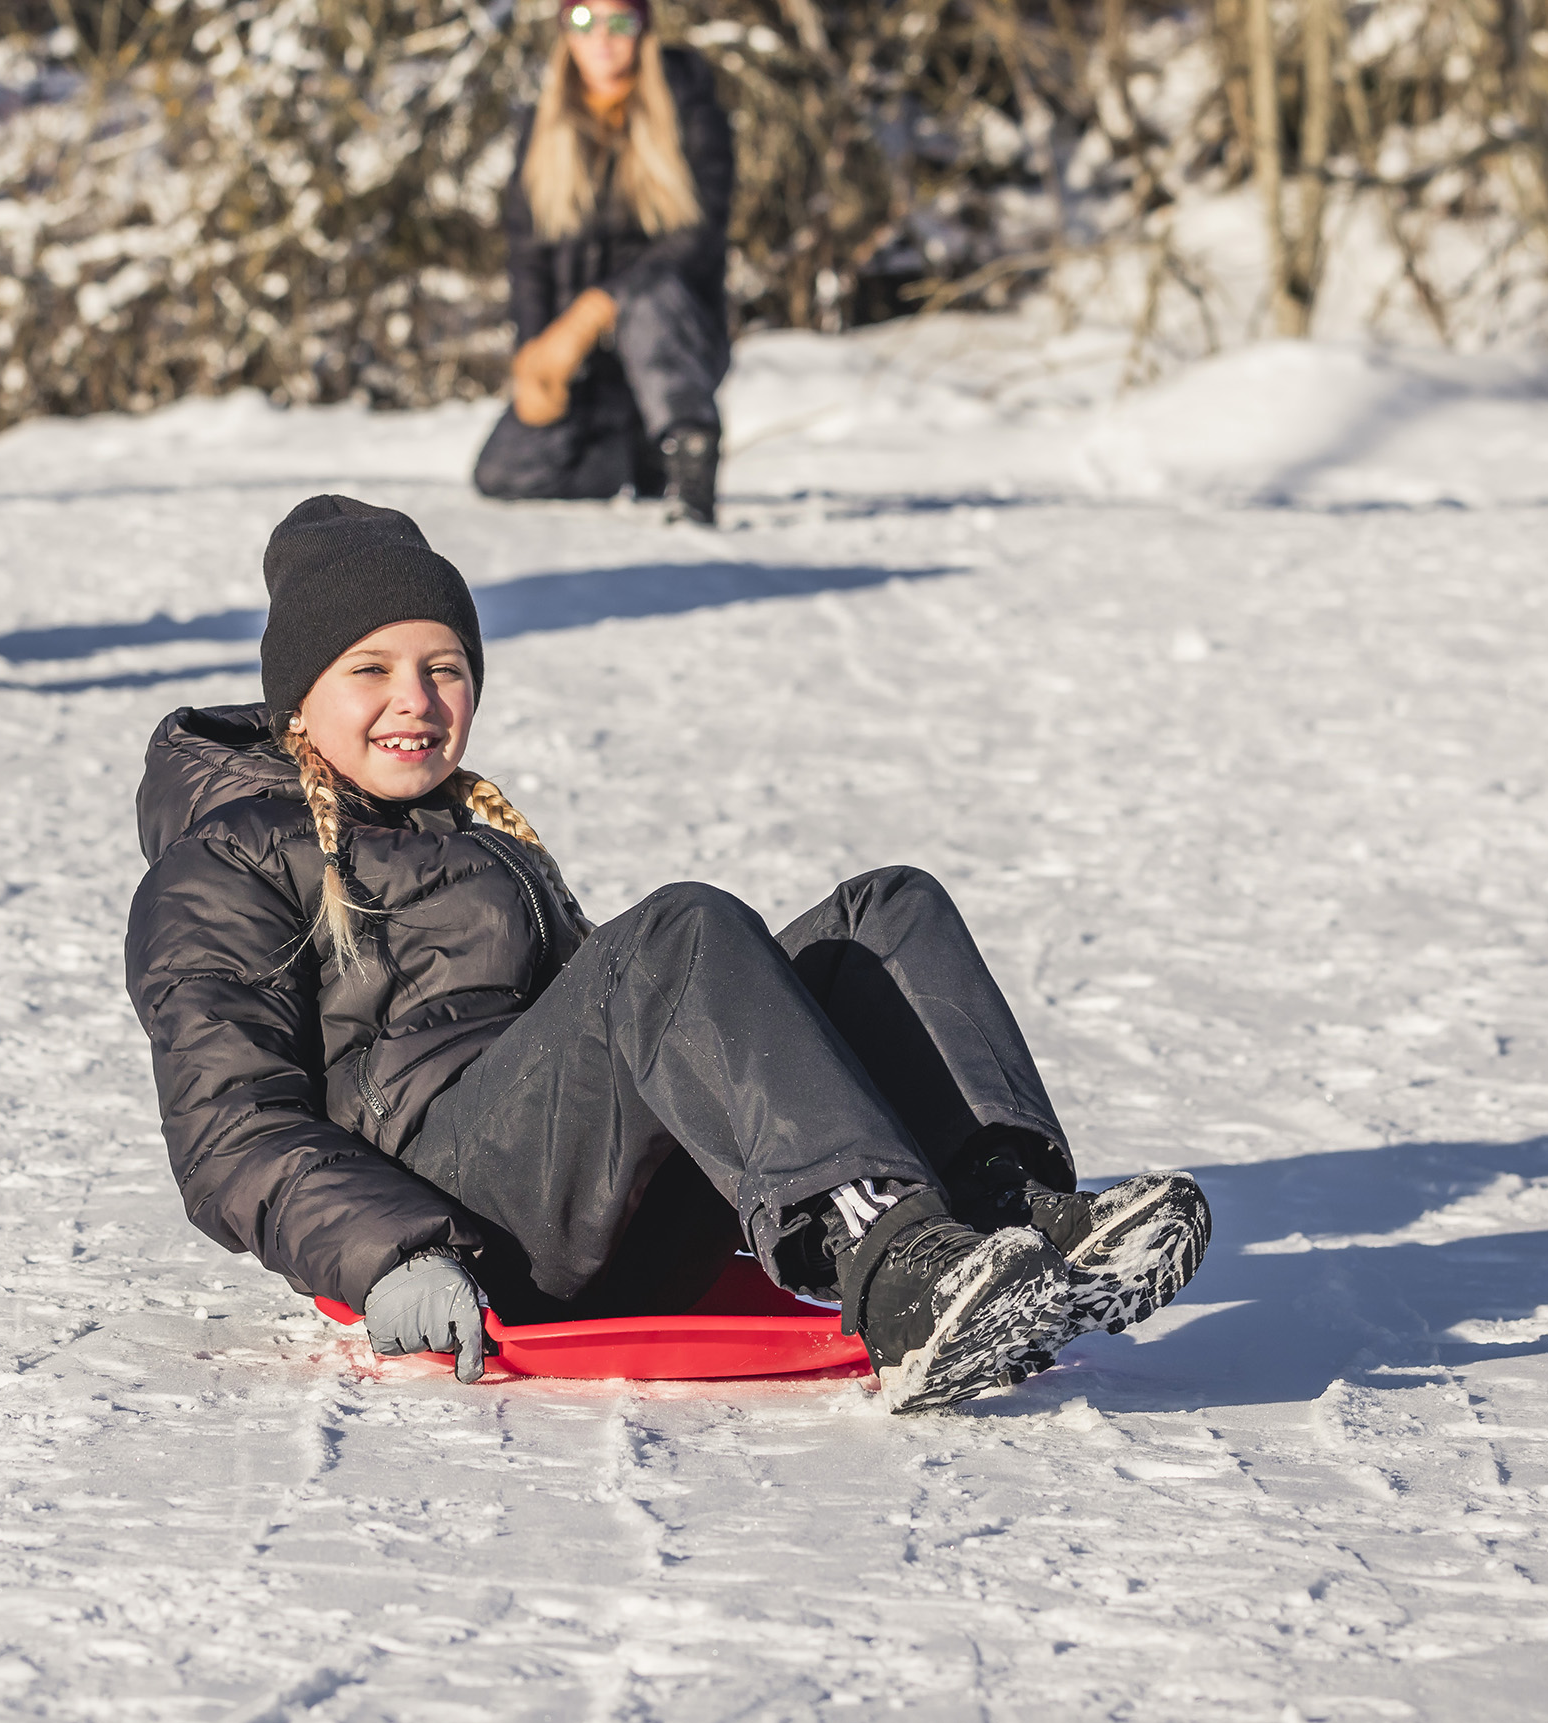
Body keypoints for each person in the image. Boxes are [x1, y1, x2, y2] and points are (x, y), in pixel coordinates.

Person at [124, 496, 1213, 1411]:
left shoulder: (483, 836)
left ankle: (1001, 1207)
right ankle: (897, 1276)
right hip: (466, 1221)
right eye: (370, 667)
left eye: (444, 666)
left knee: (885, 911)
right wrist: (390, 1252)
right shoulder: (224, 863)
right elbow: (228, 1128)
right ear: (297, 699)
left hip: (585, 1184)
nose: (416, 699)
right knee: (677, 931)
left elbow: (621, 1029)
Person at [473, 0, 736, 527]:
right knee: (504, 474)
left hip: (671, 344)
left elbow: (697, 238)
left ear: (642, 30)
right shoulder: (540, 128)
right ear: (566, 28)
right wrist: (535, 356)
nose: (603, 38)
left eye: (621, 21)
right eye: (586, 19)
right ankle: (632, 449)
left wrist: (595, 309)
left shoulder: (692, 111)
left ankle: (686, 451)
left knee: (648, 299)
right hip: (582, 359)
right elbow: (528, 255)